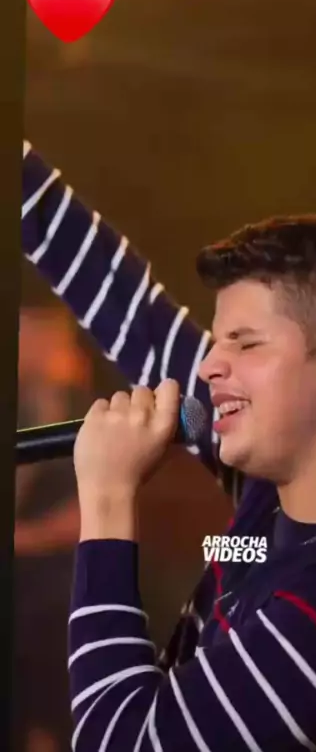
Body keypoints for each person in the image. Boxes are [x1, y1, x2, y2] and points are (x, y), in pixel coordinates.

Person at [21, 141, 316, 752]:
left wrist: (107, 498)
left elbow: (121, 742)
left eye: (246, 344)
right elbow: (125, 306)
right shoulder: (281, 499)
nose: (208, 365)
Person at [14, 307, 93, 752]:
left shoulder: (90, 412)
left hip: (63, 586)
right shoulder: (25, 409)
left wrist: (22, 539)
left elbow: (86, 516)